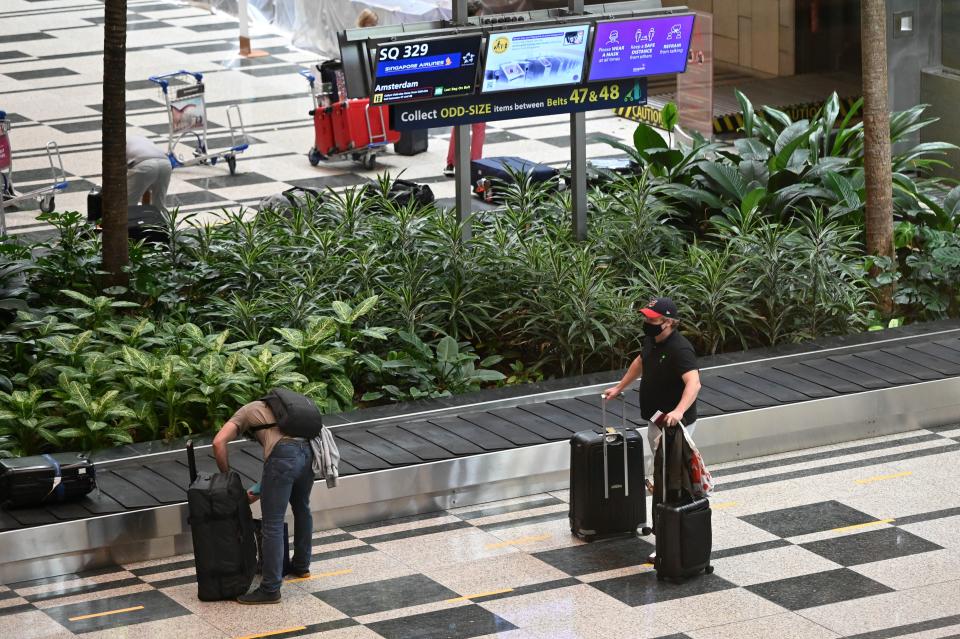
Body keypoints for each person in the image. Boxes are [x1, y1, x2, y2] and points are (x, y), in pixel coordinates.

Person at [602, 296, 701, 562]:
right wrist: (620, 387)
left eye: (653, 319)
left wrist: (678, 411)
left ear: (668, 322)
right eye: (646, 317)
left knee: (670, 482)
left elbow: (694, 383)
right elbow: (641, 361)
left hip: (675, 427)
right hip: (656, 421)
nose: (647, 322)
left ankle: (668, 540)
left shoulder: (680, 349)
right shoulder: (651, 341)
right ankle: (667, 530)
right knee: (661, 477)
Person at [212, 399, 314, 605]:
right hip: (309, 451)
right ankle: (301, 565)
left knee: (272, 522)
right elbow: (284, 468)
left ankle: (270, 588)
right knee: (302, 508)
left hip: (284, 454)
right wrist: (260, 489)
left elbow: (218, 442)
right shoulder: (285, 408)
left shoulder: (245, 411)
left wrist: (228, 479)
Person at [443, 0, 485, 177]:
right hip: (477, 82)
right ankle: (475, 163)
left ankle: (451, 162)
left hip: (459, 84)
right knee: (479, 125)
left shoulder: (454, 30)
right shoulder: (479, 31)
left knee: (459, 122)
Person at [126, 134, 171, 209]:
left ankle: (129, 220)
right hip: (165, 163)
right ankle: (162, 220)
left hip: (143, 164)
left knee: (128, 205)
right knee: (160, 205)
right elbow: (145, 187)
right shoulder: (141, 139)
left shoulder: (118, 144)